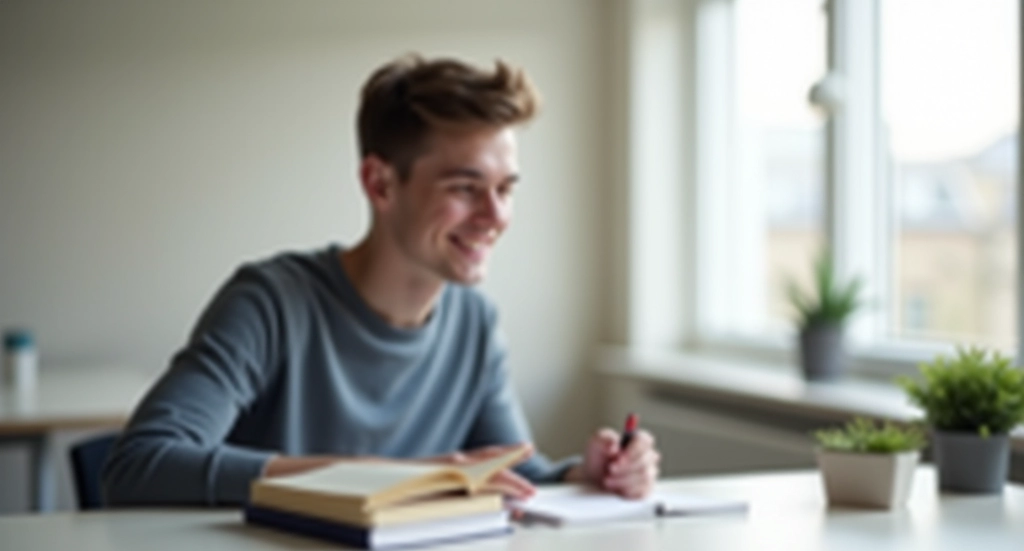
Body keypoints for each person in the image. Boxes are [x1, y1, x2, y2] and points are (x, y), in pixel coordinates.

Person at [103, 54, 660, 506]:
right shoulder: (271, 302)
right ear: (380, 183)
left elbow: (510, 472)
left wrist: (582, 477)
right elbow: (139, 465)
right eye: (465, 188)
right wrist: (393, 478)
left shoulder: (474, 322)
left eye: (506, 188)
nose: (495, 216)